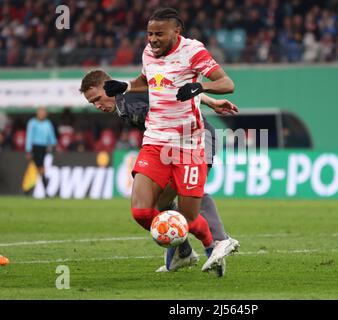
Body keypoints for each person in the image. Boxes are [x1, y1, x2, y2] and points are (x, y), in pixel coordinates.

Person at [102, 7, 238, 274]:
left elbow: (227, 83)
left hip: (189, 144)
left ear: (177, 32)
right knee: (142, 212)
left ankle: (214, 244)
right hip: (155, 140)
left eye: (159, 34)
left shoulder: (193, 51)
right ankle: (186, 250)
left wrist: (200, 86)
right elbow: (149, 79)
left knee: (187, 216)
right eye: (150, 34)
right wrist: (127, 86)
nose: (152, 39)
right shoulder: (147, 52)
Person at [80, 68, 239, 276]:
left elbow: (173, 87)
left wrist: (212, 101)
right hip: (168, 146)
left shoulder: (131, 95)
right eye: (92, 103)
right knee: (160, 203)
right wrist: (211, 102)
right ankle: (183, 251)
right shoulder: (122, 104)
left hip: (196, 139)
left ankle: (219, 240)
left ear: (107, 86)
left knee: (186, 193)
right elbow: (171, 91)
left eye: (98, 98)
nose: (97, 105)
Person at [25, 106, 57, 190]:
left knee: (40, 165)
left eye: (44, 113)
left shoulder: (48, 123)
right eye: (41, 112)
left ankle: (43, 182)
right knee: (39, 165)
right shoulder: (32, 123)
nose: (42, 114)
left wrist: (54, 144)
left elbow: (51, 135)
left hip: (44, 147)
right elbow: (29, 136)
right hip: (35, 146)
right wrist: (28, 150)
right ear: (37, 113)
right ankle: (43, 181)